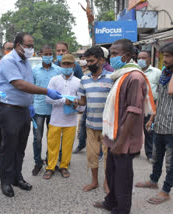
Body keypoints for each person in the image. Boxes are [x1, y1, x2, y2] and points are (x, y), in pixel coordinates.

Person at [0, 32, 62, 197]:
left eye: (32, 46)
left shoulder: (25, 61)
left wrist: (30, 103)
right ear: (18, 45)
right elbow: (19, 84)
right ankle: (5, 181)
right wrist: (46, 91)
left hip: (23, 109)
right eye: (29, 45)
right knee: (8, 147)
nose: (31, 49)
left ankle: (17, 177)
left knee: (20, 147)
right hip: (9, 108)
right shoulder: (9, 61)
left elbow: (29, 84)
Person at [94, 39, 155, 213]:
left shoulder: (134, 77)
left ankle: (122, 209)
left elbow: (134, 111)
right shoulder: (121, 74)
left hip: (124, 139)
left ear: (127, 56)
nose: (111, 58)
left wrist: (121, 141)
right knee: (111, 172)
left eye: (115, 54)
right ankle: (110, 201)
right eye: (111, 53)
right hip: (114, 135)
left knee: (123, 178)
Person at [135, 41, 173, 205]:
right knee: (156, 158)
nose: (164, 59)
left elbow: (172, 90)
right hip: (159, 125)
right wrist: (152, 117)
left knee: (170, 162)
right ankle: (153, 181)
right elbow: (161, 97)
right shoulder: (165, 73)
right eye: (163, 55)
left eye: (167, 56)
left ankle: (166, 191)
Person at [74, 46, 113, 193]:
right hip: (90, 125)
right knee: (92, 156)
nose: (88, 64)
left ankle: (108, 183)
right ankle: (95, 181)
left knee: (109, 158)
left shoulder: (111, 78)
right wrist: (75, 103)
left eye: (92, 61)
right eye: (87, 61)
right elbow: (83, 102)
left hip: (107, 127)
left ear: (102, 60)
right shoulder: (84, 79)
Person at [43, 54, 83, 179]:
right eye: (64, 64)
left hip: (70, 120)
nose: (66, 66)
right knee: (52, 144)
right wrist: (63, 101)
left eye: (69, 64)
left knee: (67, 145)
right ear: (60, 65)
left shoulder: (78, 82)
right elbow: (48, 99)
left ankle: (64, 166)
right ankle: (50, 167)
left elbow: (82, 104)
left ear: (74, 66)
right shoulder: (54, 80)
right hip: (55, 119)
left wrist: (76, 104)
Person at [31, 45, 60, 176]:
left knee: (52, 138)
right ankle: (37, 162)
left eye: (50, 54)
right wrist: (29, 105)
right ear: (40, 54)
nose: (48, 56)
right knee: (37, 138)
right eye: (45, 54)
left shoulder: (58, 70)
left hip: (54, 109)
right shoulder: (34, 70)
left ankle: (50, 161)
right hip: (39, 109)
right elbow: (30, 88)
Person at [137, 51, 162, 161]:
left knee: (149, 130)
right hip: (136, 104)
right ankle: (135, 150)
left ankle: (150, 154)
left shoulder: (157, 72)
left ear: (149, 59)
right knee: (135, 130)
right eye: (139, 57)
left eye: (144, 57)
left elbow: (161, 89)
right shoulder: (135, 71)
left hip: (150, 105)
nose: (141, 60)